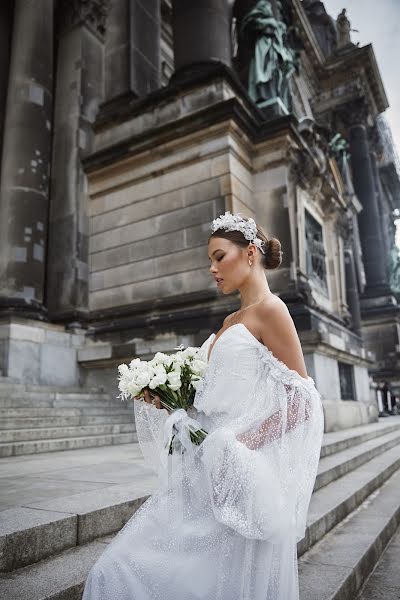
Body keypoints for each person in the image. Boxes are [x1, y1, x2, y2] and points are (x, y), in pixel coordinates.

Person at [82, 211, 325, 600]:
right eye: (210, 260)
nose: (211, 268)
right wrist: (167, 400)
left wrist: (241, 445)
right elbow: (214, 400)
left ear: (249, 253)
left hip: (237, 475)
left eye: (218, 256)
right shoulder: (230, 319)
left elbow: (304, 402)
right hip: (202, 473)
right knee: (117, 568)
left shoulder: (271, 310)